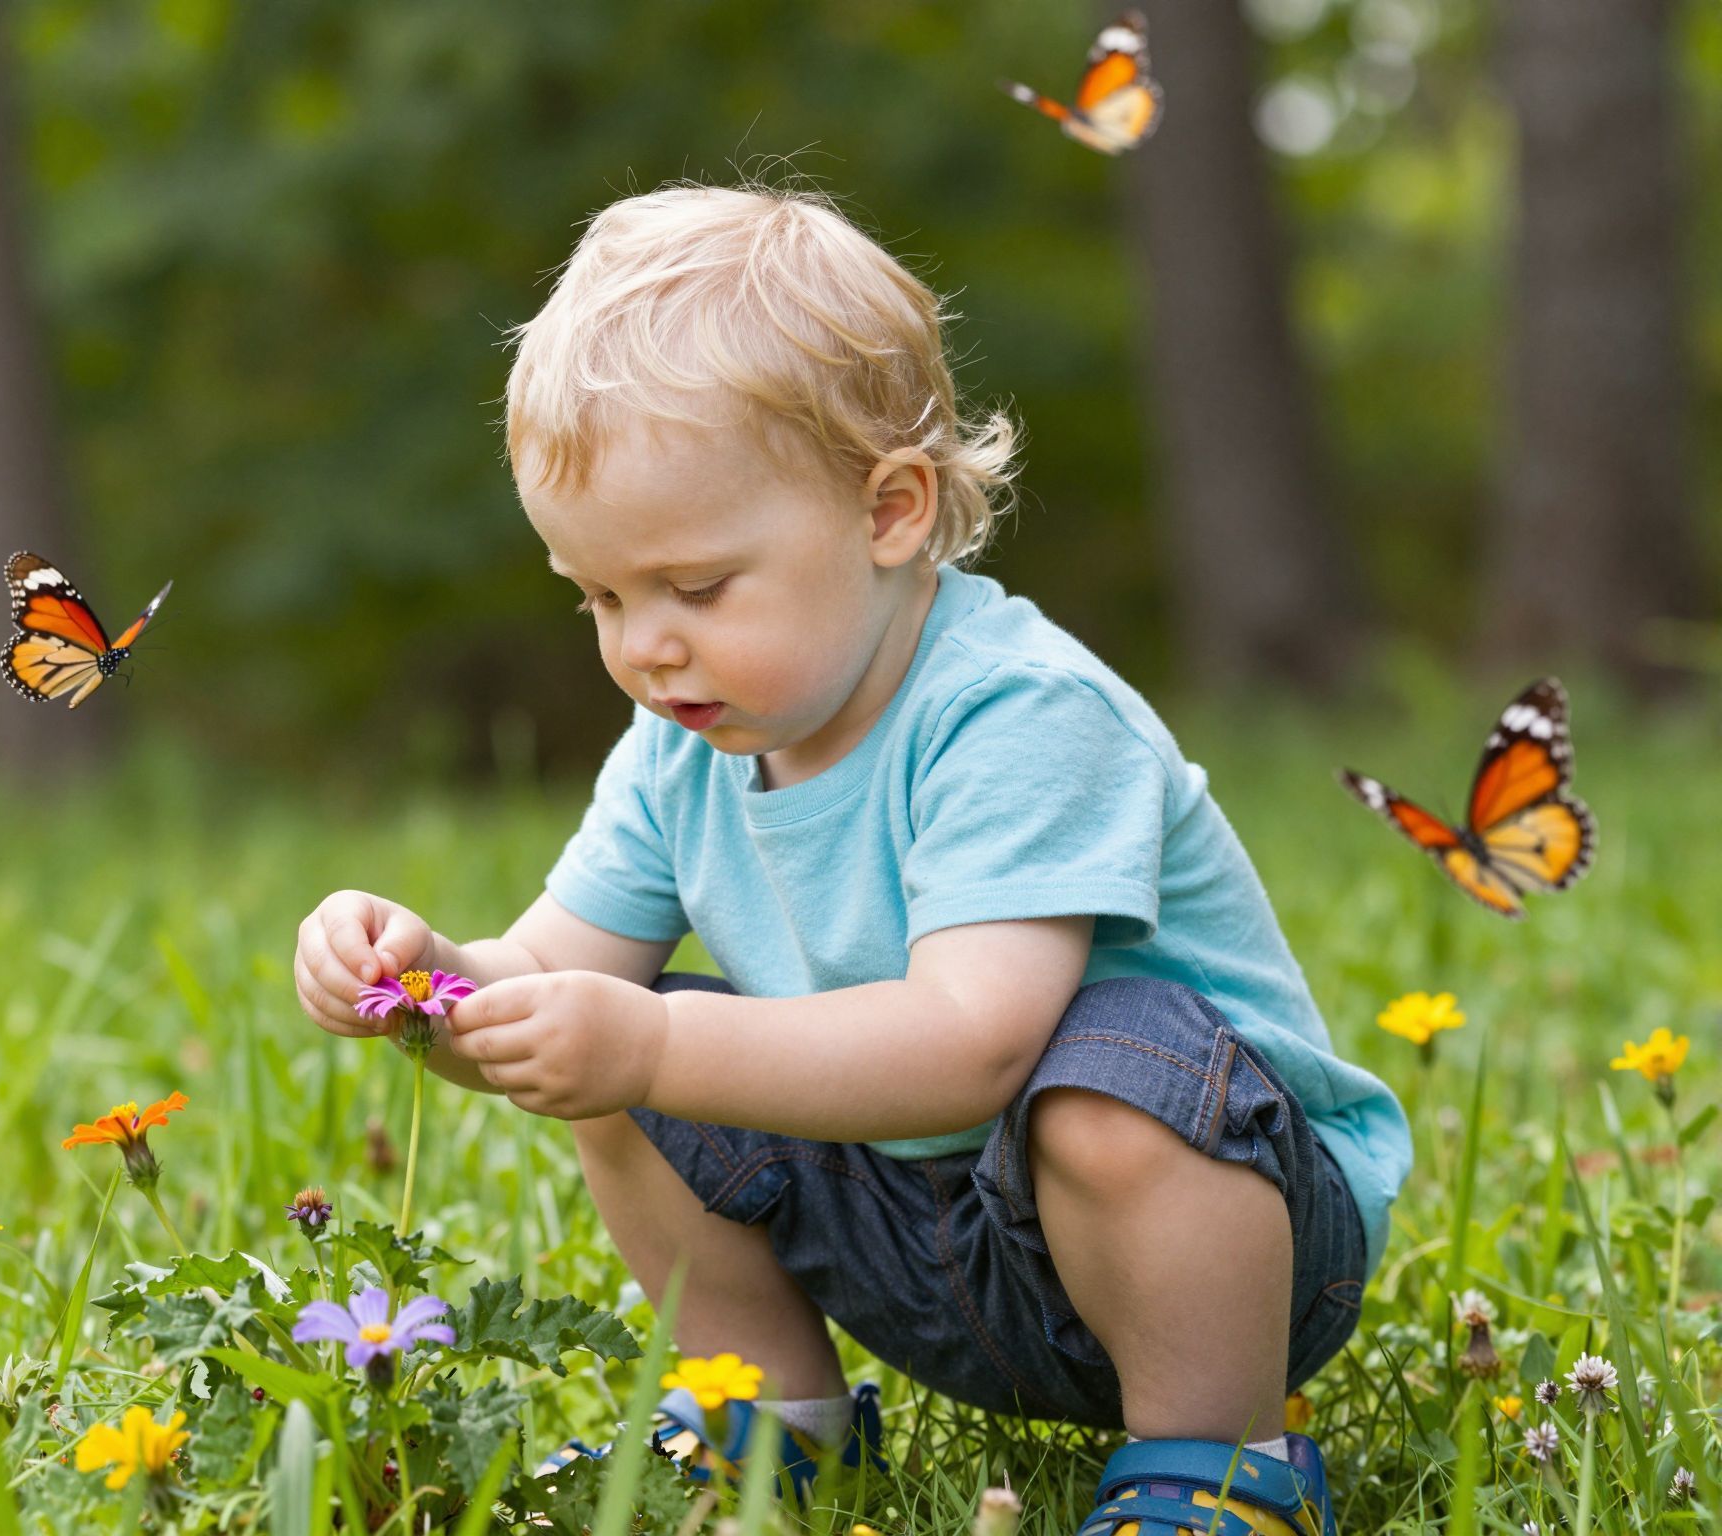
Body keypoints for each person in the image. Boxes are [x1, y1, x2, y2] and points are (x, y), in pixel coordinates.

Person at [294, 182, 1411, 1536]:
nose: (642, 646)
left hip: (1225, 1242)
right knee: (621, 1060)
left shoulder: (1018, 714)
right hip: (928, 1238)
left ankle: (1216, 1466)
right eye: (599, 596)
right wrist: (422, 983)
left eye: (696, 588)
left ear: (888, 512)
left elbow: (974, 1047)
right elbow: (541, 979)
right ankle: (767, 1428)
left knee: (1110, 1070)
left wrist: (650, 1044)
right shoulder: (681, 751)